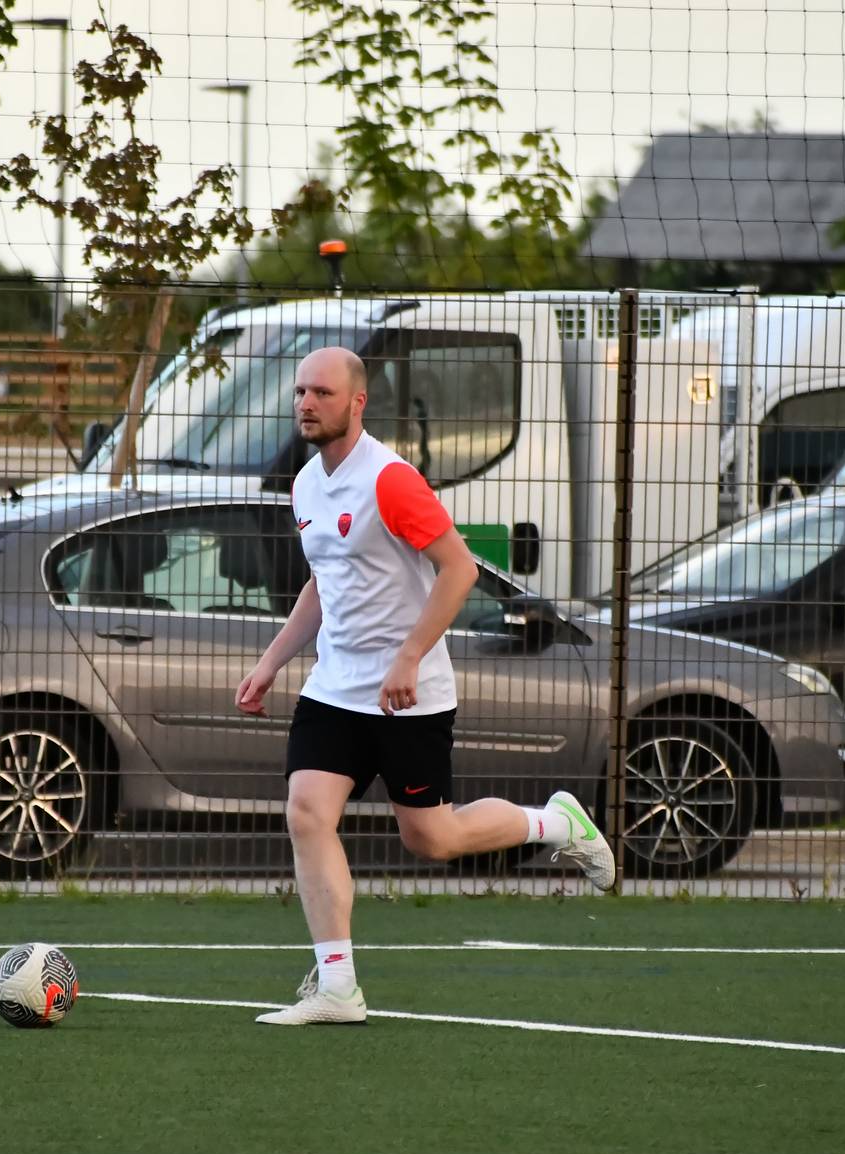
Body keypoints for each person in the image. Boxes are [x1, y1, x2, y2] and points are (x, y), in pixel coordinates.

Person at [235, 346, 615, 1027]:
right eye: (300, 392)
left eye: (322, 393)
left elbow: (460, 569)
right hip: (334, 689)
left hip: (407, 696)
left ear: (358, 402)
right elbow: (325, 579)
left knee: (432, 840)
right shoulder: (307, 483)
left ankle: (558, 823)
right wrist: (270, 663)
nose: (306, 404)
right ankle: (338, 987)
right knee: (307, 813)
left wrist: (408, 657)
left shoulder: (391, 480)